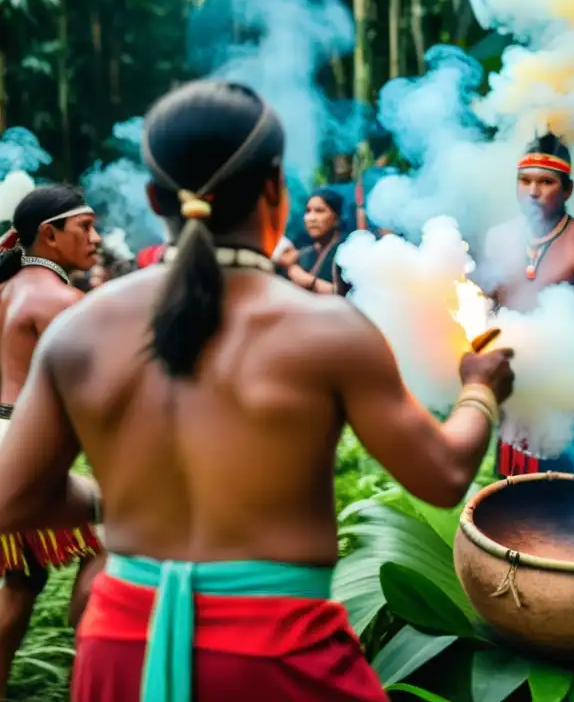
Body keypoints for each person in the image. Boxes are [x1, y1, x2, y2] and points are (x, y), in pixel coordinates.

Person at [0, 80, 513, 701]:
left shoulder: (81, 327)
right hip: (275, 652)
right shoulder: (328, 329)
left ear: (155, 197)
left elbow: (12, 500)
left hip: (120, 646)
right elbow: (443, 473)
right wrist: (479, 390)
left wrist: (103, 498)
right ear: (275, 188)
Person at [0, 184, 105, 700]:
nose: (96, 238)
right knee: (111, 530)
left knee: (23, 581)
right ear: (50, 234)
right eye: (85, 227)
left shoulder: (5, 289)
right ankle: (91, 671)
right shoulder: (62, 300)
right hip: (16, 453)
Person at [478, 132, 574, 478]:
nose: (533, 191)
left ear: (567, 190)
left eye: (545, 182)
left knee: (572, 498)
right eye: (525, 181)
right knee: (513, 491)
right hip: (517, 389)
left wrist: (553, 351)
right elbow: (485, 306)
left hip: (570, 389)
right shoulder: (498, 238)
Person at [278, 190, 345, 294]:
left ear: (336, 218)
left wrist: (310, 282)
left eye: (319, 211)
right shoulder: (304, 255)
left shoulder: (346, 253)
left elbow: (348, 297)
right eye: (308, 211)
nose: (311, 218)